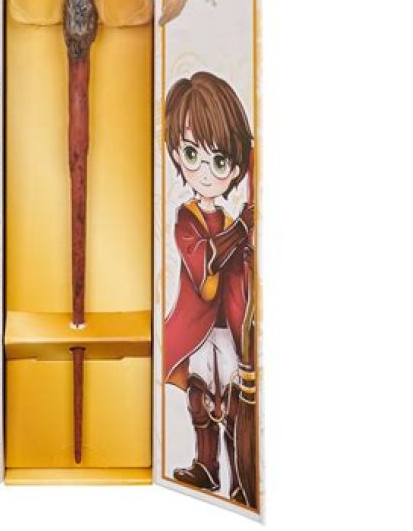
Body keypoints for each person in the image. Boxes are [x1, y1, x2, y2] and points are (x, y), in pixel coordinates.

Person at [163, 71, 253, 503]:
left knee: (232, 404)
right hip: (198, 326)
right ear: (178, 156)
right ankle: (206, 465)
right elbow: (206, 265)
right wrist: (242, 231)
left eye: (219, 162)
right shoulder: (188, 218)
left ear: (235, 167)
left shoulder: (235, 221)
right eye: (191, 154)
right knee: (200, 397)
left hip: (230, 326)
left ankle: (239, 478)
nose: (205, 171)